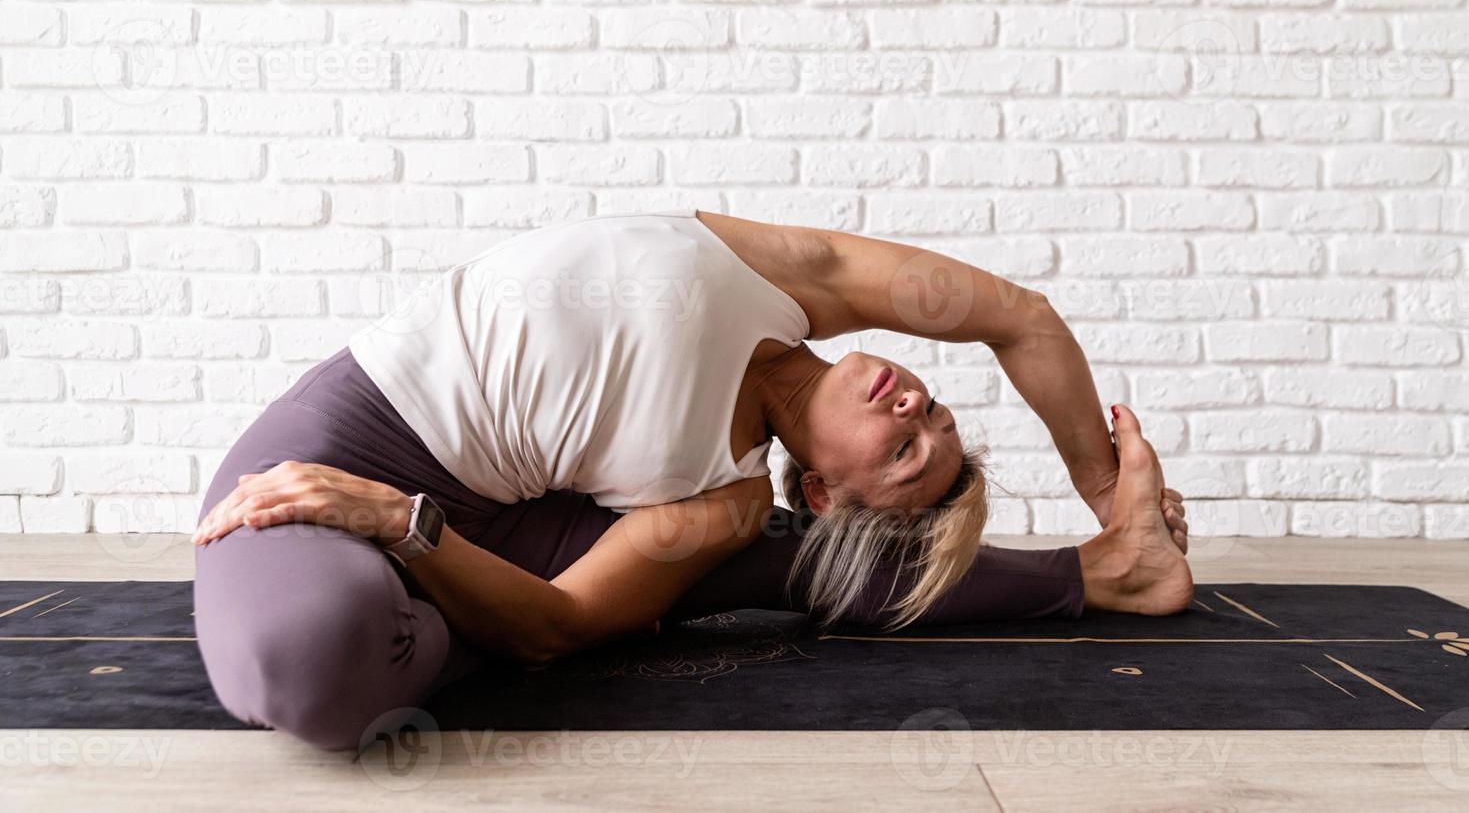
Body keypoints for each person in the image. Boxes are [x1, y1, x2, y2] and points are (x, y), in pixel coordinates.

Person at [192, 208, 1192, 751]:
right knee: (302, 651)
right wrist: (1106, 486)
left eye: (903, 455)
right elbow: (1020, 317)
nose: (911, 411)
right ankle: (1114, 551)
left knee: (323, 668)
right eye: (930, 414)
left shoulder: (728, 504)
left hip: (450, 532)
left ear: (825, 495)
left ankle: (1108, 572)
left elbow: (552, 621)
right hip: (350, 442)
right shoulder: (798, 274)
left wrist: (401, 524)